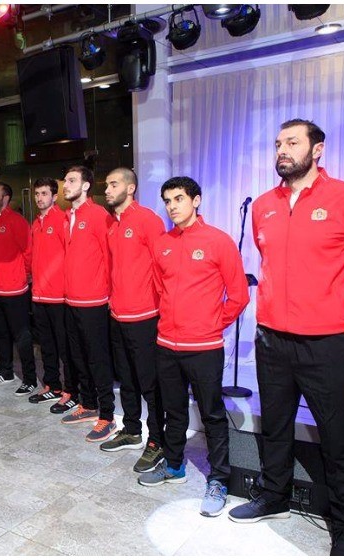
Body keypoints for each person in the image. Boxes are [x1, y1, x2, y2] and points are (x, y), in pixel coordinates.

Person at [228, 120, 344, 555]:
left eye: (292, 142)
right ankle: (274, 497)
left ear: (317, 149)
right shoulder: (265, 205)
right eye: (278, 144)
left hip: (329, 343)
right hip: (272, 340)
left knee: (338, 437)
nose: (282, 150)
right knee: (275, 425)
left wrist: (339, 297)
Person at [137, 176, 249, 518]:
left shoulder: (218, 241)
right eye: (167, 200)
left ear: (196, 200)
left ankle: (219, 479)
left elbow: (239, 295)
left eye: (179, 199)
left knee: (212, 414)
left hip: (204, 346)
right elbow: (159, 289)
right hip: (166, 345)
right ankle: (174, 466)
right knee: (173, 411)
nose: (172, 206)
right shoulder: (162, 243)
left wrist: (211, 324)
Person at [101, 168, 167, 474]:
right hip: (118, 313)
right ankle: (131, 430)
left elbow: (162, 265)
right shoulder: (112, 224)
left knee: (149, 383)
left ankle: (157, 441)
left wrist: (164, 308)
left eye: (113, 184)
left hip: (144, 315)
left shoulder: (147, 220)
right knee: (126, 378)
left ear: (131, 188)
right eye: (106, 185)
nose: (107, 189)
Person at [59, 165, 116, 443]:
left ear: (85, 185)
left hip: (94, 301)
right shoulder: (67, 216)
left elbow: (110, 257)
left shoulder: (98, 214)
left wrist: (111, 294)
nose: (65, 185)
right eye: (65, 180)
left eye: (71, 181)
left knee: (97, 359)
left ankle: (108, 415)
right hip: (70, 299)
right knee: (78, 356)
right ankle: (89, 404)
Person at [0, 182, 37, 395]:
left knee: (21, 336)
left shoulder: (16, 221)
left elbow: (28, 252)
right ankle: (5, 371)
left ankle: (30, 379)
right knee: (1, 333)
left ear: (5, 198)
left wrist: (23, 275)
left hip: (14, 290)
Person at [27, 178, 75, 410]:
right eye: (37, 193)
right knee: (46, 345)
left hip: (59, 296)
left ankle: (71, 390)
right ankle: (52, 386)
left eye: (44, 193)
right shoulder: (36, 223)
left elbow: (71, 255)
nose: (39, 198)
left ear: (55, 197)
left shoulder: (63, 219)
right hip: (39, 295)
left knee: (65, 348)